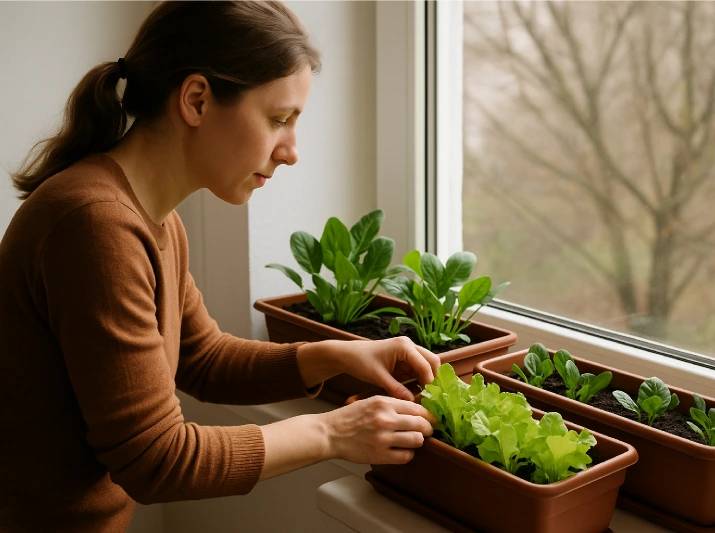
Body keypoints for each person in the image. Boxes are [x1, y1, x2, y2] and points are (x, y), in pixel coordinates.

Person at [0, 1, 440, 531]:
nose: (291, 152)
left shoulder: (151, 219)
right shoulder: (95, 225)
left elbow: (201, 359)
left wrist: (334, 356)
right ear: (196, 99)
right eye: (279, 119)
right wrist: (334, 433)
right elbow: (158, 460)